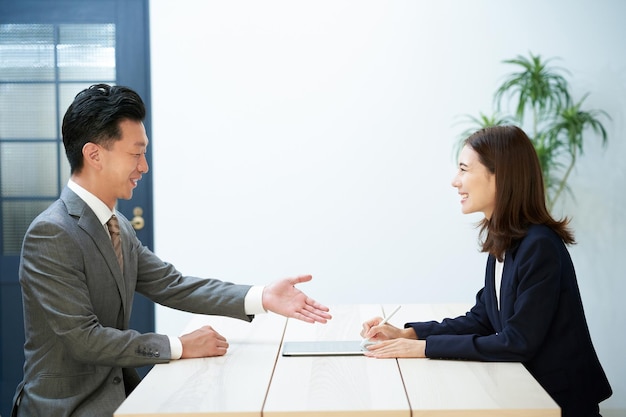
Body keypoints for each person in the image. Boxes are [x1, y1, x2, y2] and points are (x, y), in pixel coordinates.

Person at [11, 84, 332, 417]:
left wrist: (263, 296)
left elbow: (173, 285)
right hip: (67, 408)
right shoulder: (52, 233)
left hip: (119, 399)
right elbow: (84, 339)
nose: (144, 166)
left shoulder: (117, 224)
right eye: (135, 154)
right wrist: (178, 346)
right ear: (94, 155)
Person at [361, 125, 612, 417]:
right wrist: (410, 333)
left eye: (464, 169)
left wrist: (425, 348)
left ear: (500, 176)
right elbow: (483, 319)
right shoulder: (506, 239)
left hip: (556, 403)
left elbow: (517, 341)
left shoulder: (539, 246)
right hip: (522, 392)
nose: (456, 181)